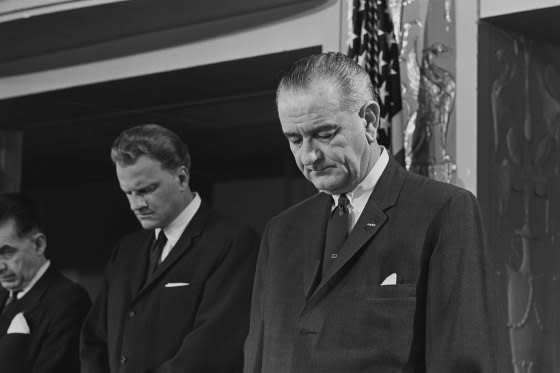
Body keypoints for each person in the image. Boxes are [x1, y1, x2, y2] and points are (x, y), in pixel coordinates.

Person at [244, 52, 495, 372]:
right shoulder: (280, 231)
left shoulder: (444, 211)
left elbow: (464, 359)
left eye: (324, 134)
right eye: (295, 139)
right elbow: (259, 353)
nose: (309, 157)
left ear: (370, 120)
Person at [81, 124, 259, 373]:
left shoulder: (233, 242)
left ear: (182, 177)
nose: (136, 204)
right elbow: (95, 338)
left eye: (146, 190)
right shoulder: (127, 250)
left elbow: (213, 347)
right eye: (128, 193)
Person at [0, 193, 91, 373]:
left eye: (7, 252)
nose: (0, 267)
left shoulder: (69, 302)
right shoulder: (4, 293)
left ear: (39, 245)